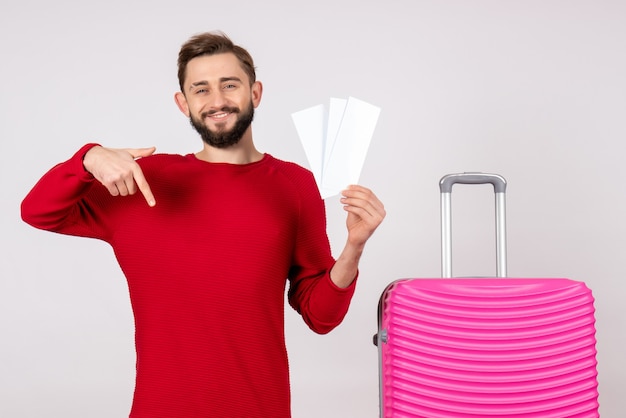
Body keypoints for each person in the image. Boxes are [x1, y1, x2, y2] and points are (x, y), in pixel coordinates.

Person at [21, 31, 385, 418]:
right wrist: (88, 158)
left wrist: (354, 247)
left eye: (230, 85)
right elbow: (38, 211)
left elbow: (320, 315)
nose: (217, 101)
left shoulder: (294, 185)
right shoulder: (145, 179)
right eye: (201, 89)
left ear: (255, 92)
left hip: (260, 407)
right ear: (183, 103)